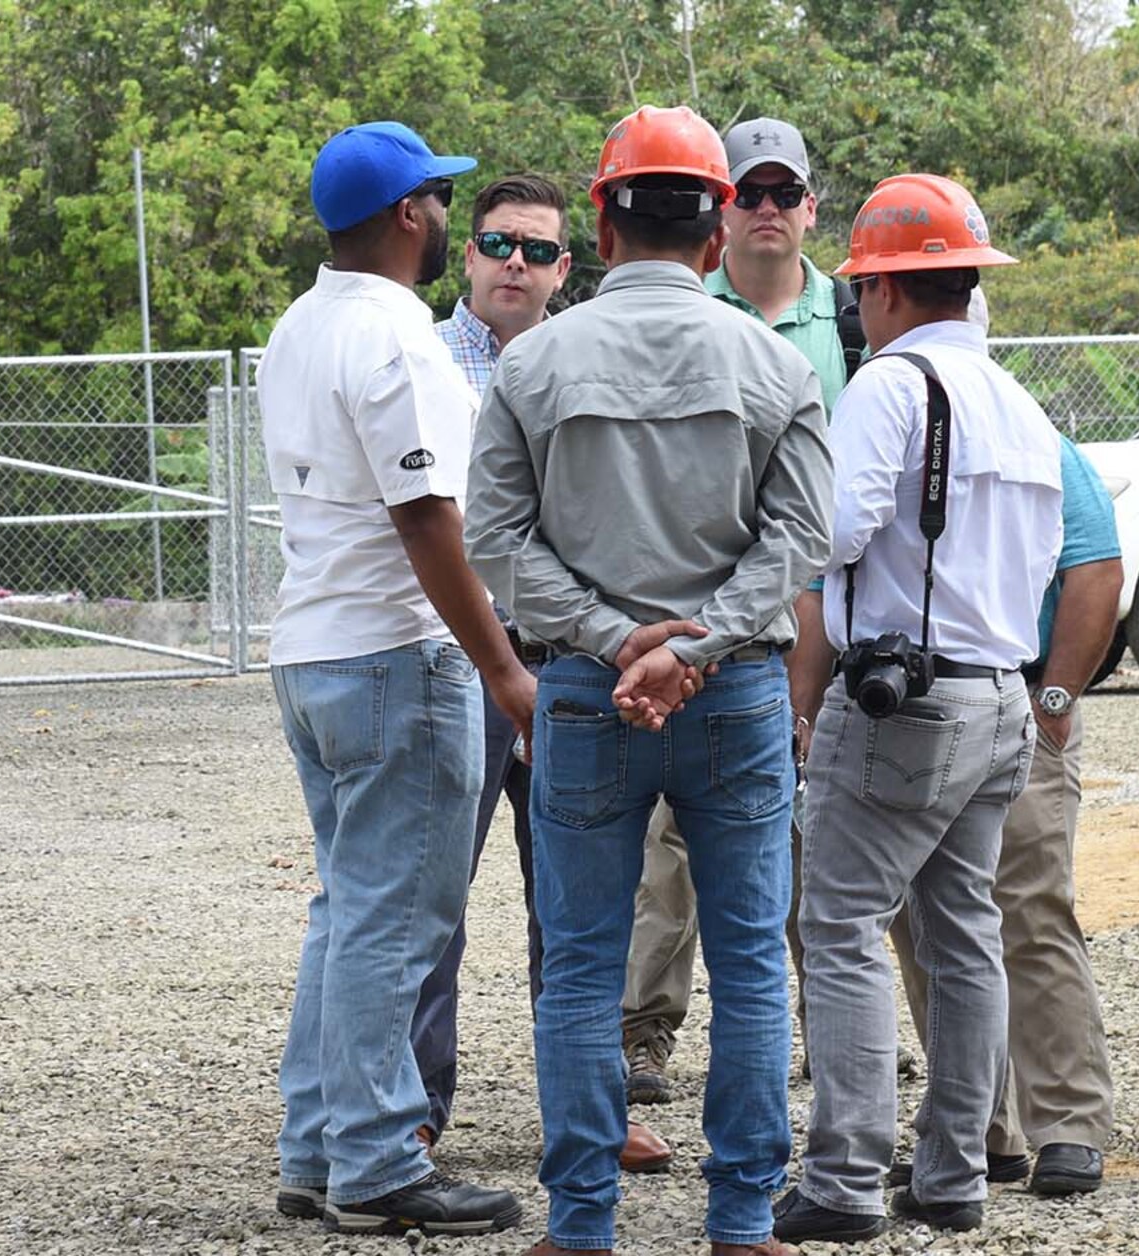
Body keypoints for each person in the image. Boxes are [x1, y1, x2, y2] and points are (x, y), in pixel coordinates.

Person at [463, 104, 832, 1256]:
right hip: (733, 698)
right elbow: (802, 538)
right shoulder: (773, 364)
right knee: (749, 963)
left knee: (578, 965)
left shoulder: (533, 366)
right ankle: (738, 1222)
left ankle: (580, 1225)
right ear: (719, 232)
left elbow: (493, 536)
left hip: (583, 692)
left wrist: (615, 638)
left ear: (601, 225)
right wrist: (696, 642)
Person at [257, 120, 536, 1237]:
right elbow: (429, 518)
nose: (437, 218)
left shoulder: (296, 325)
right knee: (393, 920)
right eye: (432, 201)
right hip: (394, 651)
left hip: (313, 647)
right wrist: (502, 665)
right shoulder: (401, 339)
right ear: (407, 215)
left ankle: (315, 1145)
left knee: (348, 908)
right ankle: (375, 1160)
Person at [773, 174, 1062, 1244]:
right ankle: (949, 1174)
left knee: (839, 922)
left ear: (878, 291)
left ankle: (843, 1178)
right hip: (997, 697)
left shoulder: (887, 387)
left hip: (907, 699)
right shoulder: (1018, 401)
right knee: (962, 931)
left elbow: (830, 534)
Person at [422, 172, 674, 1174]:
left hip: (569, 663)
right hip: (455, 661)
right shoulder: (426, 361)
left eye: (536, 249)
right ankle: (412, 1111)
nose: (513, 264)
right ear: (469, 253)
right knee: (432, 895)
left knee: (579, 899)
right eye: (497, 244)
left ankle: (588, 1110)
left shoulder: (589, 361)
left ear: (568, 266)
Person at [620, 115, 872, 1106]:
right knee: (667, 852)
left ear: (811, 208)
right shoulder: (675, 310)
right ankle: (647, 1034)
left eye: (783, 194)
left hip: (815, 616)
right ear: (718, 211)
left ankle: (835, 1029)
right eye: (748, 194)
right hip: (682, 622)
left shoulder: (854, 321)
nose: (766, 211)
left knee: (826, 837)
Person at [889, 286, 1122, 1198]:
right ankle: (978, 1129)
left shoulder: (1034, 435)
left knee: (1027, 908)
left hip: (1016, 697)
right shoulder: (881, 424)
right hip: (910, 710)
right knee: (925, 925)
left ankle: (1067, 1123)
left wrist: (1058, 691)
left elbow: (1094, 567)